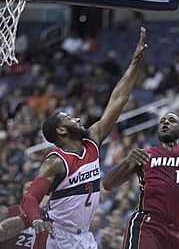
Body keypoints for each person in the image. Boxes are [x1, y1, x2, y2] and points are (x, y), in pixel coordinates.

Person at [19, 27, 148, 249]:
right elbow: (30, 198)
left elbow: (118, 98)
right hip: (59, 236)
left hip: (85, 237)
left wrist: (135, 61)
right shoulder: (55, 162)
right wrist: (36, 220)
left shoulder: (92, 141)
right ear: (61, 131)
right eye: (69, 118)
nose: (77, 119)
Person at [102, 34, 179, 249]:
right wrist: (127, 162)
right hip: (148, 225)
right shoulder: (146, 154)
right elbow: (108, 184)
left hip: (176, 232)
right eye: (162, 120)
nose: (164, 123)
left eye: (171, 120)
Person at [0, 180, 49, 248]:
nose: (31, 192)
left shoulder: (50, 216)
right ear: (21, 193)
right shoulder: (6, 211)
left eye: (35, 189)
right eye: (27, 189)